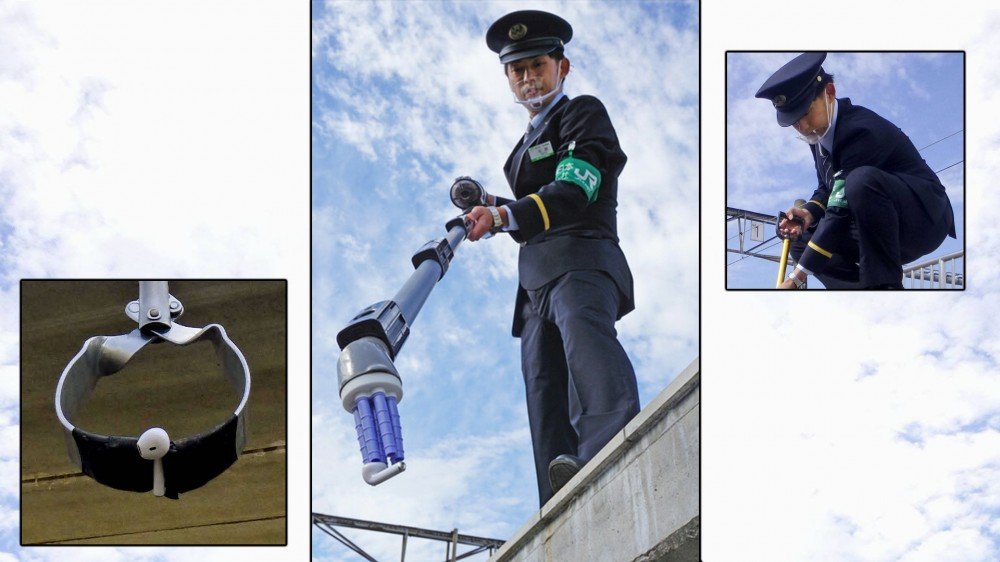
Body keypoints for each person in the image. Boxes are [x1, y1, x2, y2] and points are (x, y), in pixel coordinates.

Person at [464, 9, 640, 506]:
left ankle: (610, 450)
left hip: (581, 261)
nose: (527, 78)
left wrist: (502, 217)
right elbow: (531, 209)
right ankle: (556, 500)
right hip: (533, 285)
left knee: (587, 347)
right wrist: (492, 208)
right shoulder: (519, 150)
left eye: (537, 65)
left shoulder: (582, 113)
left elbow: (573, 189)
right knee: (543, 388)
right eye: (516, 71)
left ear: (562, 67)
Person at [755, 52, 956, 289]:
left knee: (860, 181)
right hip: (877, 227)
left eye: (806, 113)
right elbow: (827, 187)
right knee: (802, 241)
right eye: (795, 121)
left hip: (922, 220)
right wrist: (808, 213)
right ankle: (860, 294)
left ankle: (884, 286)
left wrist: (795, 277)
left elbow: (839, 208)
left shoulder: (860, 130)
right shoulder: (819, 134)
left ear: (829, 93)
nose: (803, 126)